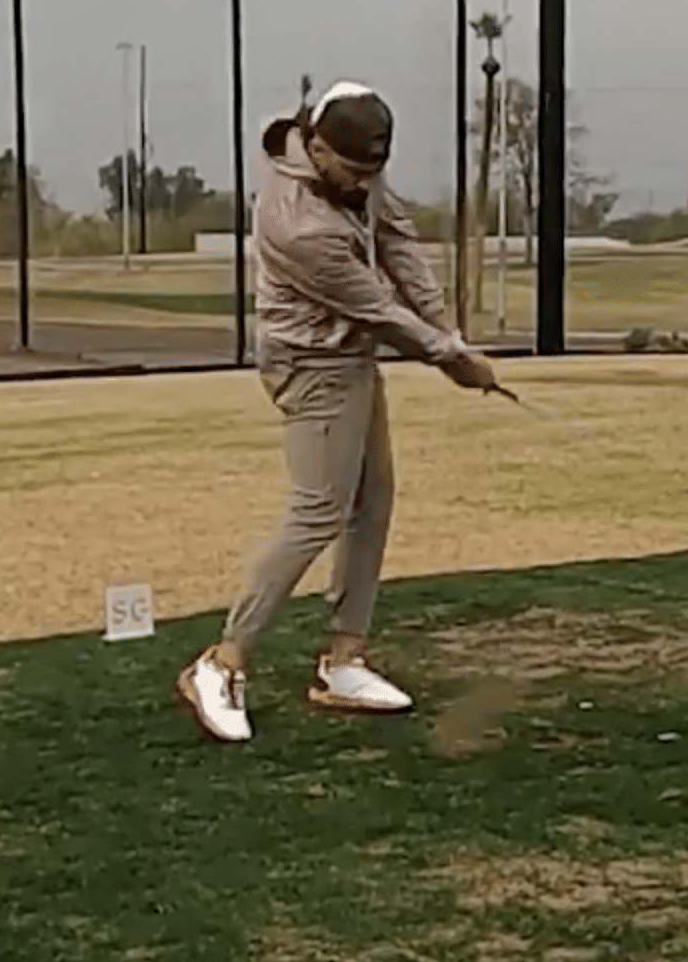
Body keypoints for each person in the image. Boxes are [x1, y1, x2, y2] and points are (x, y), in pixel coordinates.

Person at [176, 80, 502, 743]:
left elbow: (398, 238)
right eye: (352, 171)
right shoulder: (301, 226)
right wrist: (452, 360)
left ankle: (343, 662)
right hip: (309, 363)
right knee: (317, 509)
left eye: (372, 172)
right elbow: (377, 309)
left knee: (373, 499)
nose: (363, 184)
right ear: (317, 146)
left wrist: (446, 329)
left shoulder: (354, 160)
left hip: (350, 357)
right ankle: (222, 662)